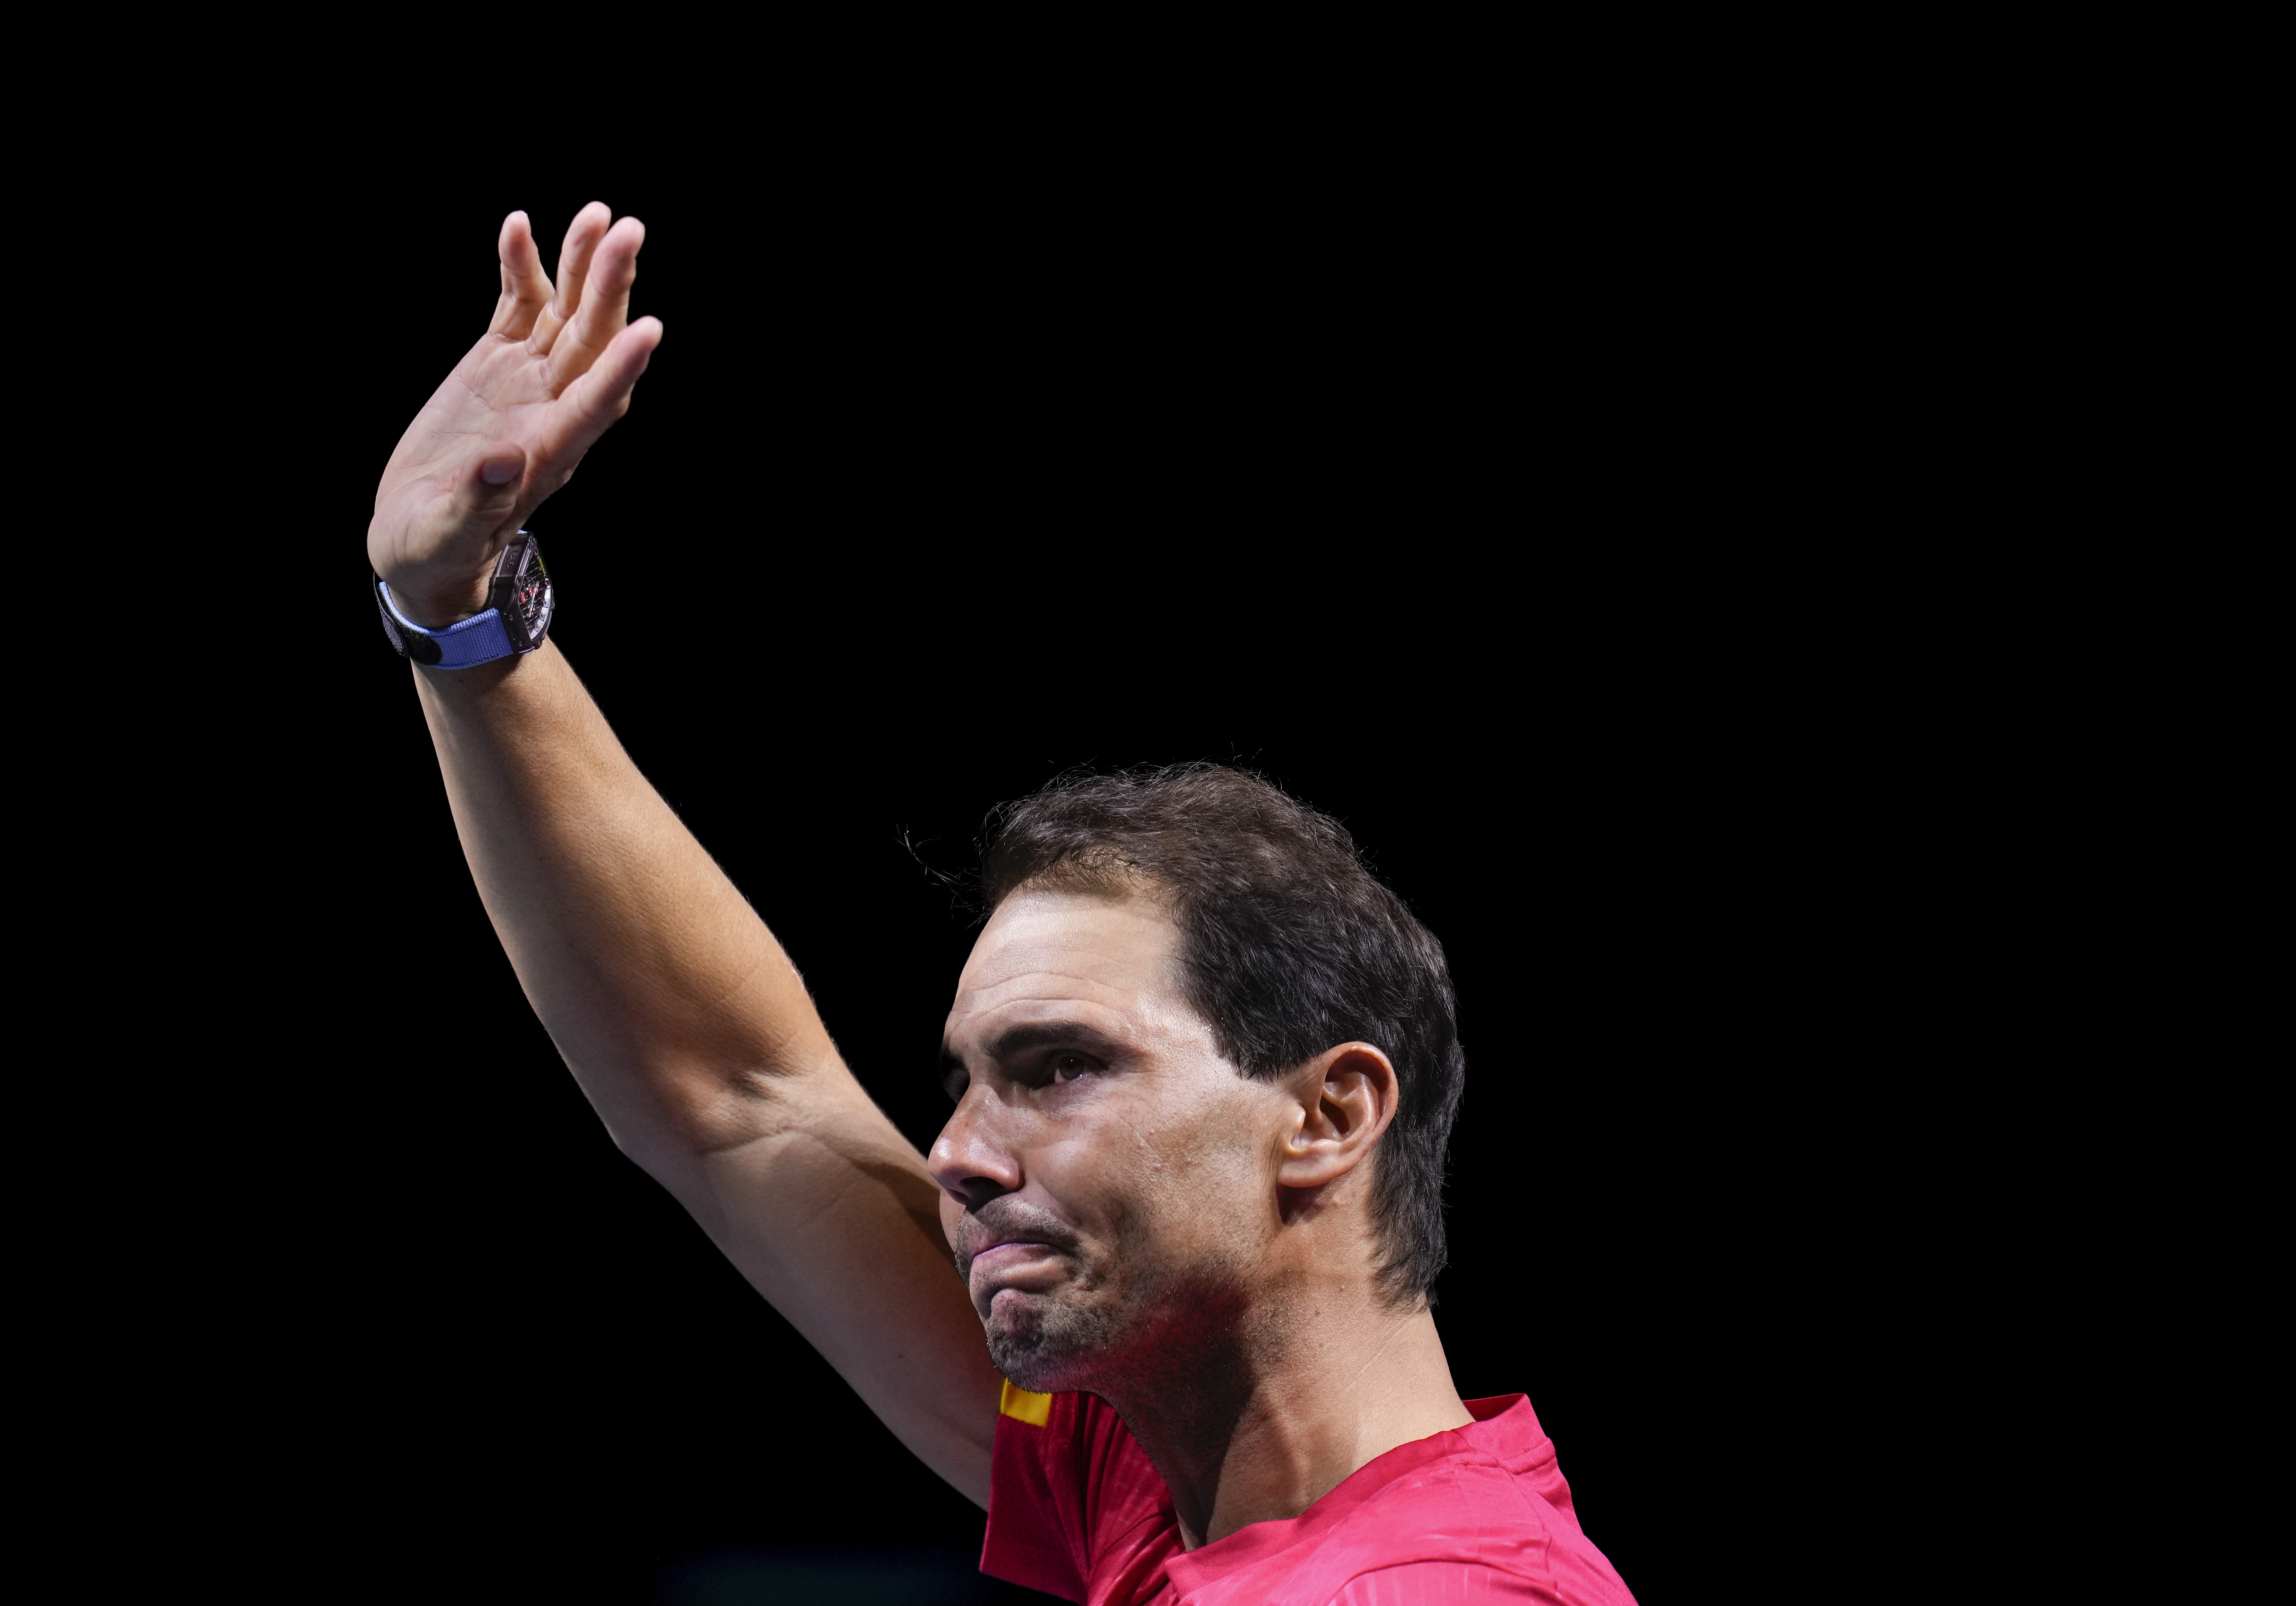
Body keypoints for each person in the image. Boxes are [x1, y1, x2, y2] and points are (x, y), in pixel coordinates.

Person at [368, 199, 1639, 1606]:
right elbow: (733, 1093)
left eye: (1060, 1065)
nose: (959, 1151)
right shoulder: (1162, 1470)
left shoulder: (1419, 1592)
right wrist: (459, 616)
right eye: (967, 1080)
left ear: (1327, 1113)